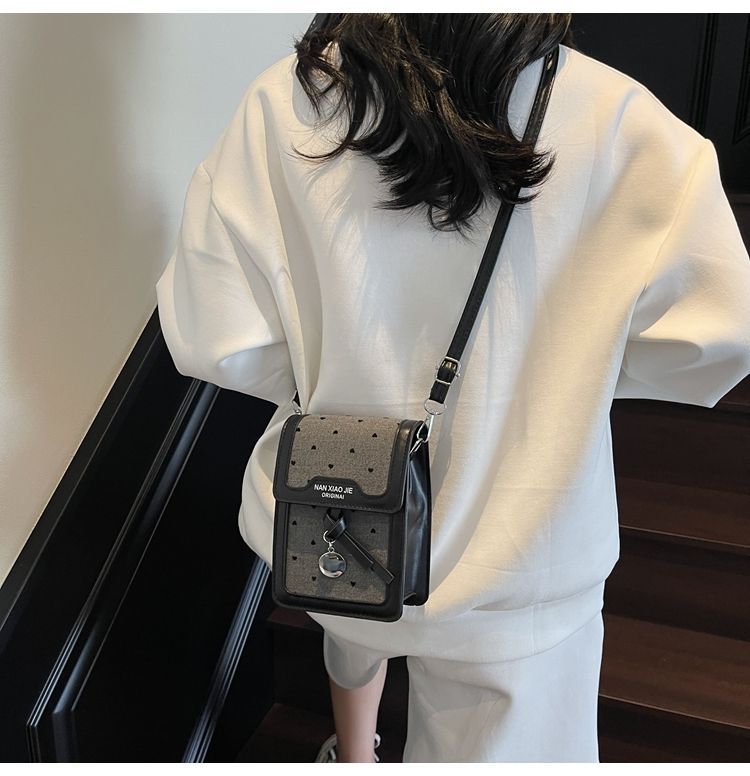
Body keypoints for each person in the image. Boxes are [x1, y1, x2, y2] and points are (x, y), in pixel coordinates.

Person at [155, 13, 750, 763]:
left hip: (340, 515)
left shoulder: (287, 106)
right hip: (523, 567)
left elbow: (215, 335)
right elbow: (716, 339)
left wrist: (335, 371)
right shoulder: (622, 120)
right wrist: (566, 366)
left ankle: (354, 753)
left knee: (353, 620)